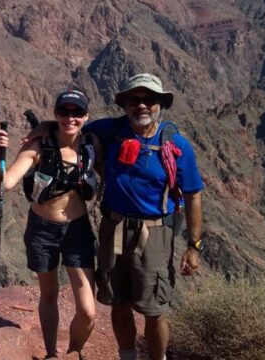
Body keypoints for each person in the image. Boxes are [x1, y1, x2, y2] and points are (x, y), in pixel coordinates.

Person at [85, 73, 204, 360]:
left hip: (155, 234)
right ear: (124, 104)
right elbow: (70, 127)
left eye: (149, 100)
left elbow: (193, 195)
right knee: (118, 302)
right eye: (134, 100)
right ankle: (127, 356)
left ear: (159, 104)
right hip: (113, 226)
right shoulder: (111, 131)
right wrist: (43, 131)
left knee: (155, 310)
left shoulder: (176, 146)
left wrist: (194, 245)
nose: (141, 106)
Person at [0, 89, 102, 360]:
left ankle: (74, 351)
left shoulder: (92, 145)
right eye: (64, 112)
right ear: (56, 113)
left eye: (77, 112)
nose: (70, 118)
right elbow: (3, 184)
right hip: (42, 228)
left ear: (86, 115)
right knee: (49, 293)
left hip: (78, 228)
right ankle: (52, 353)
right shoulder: (38, 146)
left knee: (88, 310)